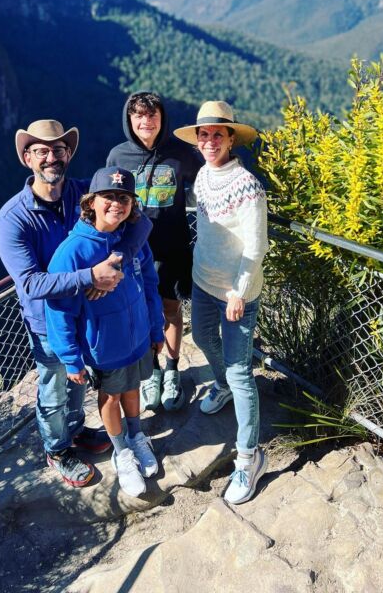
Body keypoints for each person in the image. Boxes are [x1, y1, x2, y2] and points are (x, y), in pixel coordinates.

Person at [0, 120, 152, 488]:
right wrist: (89, 278)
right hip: (46, 323)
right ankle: (58, 450)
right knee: (54, 388)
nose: (52, 157)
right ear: (27, 158)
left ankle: (77, 431)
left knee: (80, 383)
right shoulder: (12, 219)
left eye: (59, 150)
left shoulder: (84, 192)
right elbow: (32, 283)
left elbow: (139, 222)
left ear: (68, 154)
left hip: (91, 318)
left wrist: (118, 260)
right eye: (42, 151)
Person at [45, 167, 165, 497]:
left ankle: (137, 436)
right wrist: (71, 359)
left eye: (124, 197)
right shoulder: (73, 252)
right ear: (91, 203)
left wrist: (156, 328)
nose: (117, 203)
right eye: (108, 197)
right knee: (111, 396)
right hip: (104, 347)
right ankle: (121, 451)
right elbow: (59, 311)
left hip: (138, 336)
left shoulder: (132, 240)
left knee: (132, 388)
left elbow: (151, 285)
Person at [174, 101, 269, 505]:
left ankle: (250, 457)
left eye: (218, 133)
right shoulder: (201, 176)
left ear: (231, 139)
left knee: (240, 371)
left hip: (235, 294)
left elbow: (256, 244)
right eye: (204, 134)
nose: (210, 140)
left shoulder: (248, 185)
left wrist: (240, 290)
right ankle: (223, 386)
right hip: (202, 282)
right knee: (207, 343)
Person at [107, 92, 202, 412]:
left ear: (162, 119)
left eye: (152, 116)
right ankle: (153, 373)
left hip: (174, 248)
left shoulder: (181, 154)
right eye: (139, 116)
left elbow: (206, 181)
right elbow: (107, 203)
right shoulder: (118, 157)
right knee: (144, 313)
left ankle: (172, 370)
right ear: (129, 120)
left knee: (172, 311)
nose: (145, 122)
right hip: (134, 252)